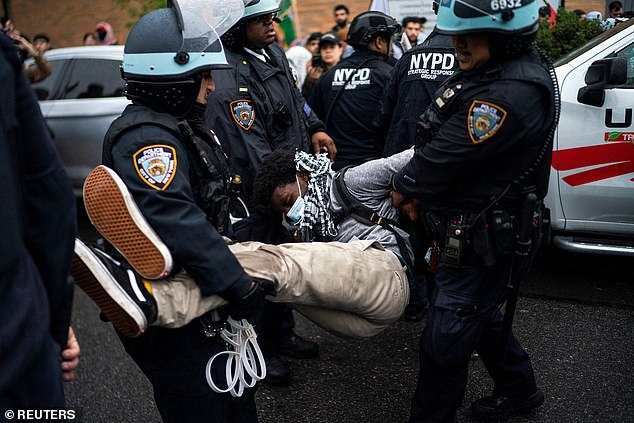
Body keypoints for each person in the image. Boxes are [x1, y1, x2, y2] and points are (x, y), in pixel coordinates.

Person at [71, 3, 268, 421]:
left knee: (233, 401)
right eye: (204, 76)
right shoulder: (146, 138)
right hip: (174, 305)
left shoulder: (177, 124)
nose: (212, 87)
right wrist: (238, 286)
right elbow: (175, 217)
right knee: (201, 405)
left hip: (201, 288)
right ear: (172, 78)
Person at [390, 1, 558, 421]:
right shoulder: (490, 71)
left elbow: (446, 154)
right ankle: (520, 389)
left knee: (445, 338)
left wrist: (406, 184)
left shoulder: (508, 93)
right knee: (477, 314)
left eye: (468, 34)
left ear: (505, 35)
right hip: (464, 226)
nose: (456, 43)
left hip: (483, 235)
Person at [206, 0, 336, 385]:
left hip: (286, 179)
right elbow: (252, 149)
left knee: (285, 262)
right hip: (260, 191)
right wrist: (289, 187)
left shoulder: (273, 51)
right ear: (236, 26)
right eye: (261, 19)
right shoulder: (228, 74)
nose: (272, 24)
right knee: (260, 268)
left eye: (272, 17)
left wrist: (315, 126)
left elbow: (295, 101)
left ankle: (282, 333)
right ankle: (258, 350)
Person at [0, 30, 79, 413]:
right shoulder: (5, 66)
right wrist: (49, 320)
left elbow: (42, 69)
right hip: (14, 348)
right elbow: (50, 205)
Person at [373, 18, 458, 321]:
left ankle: (414, 301)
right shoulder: (468, 57)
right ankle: (442, 305)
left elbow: (383, 115)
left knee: (408, 235)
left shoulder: (408, 58)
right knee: (451, 239)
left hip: (402, 170)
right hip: (446, 168)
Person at [308, 11, 398, 171]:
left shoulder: (327, 77)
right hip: (377, 169)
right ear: (379, 42)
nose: (391, 47)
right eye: (389, 41)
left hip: (336, 170)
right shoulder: (389, 74)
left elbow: (311, 118)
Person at [302, 32, 343, 99]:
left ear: (340, 49)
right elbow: (305, 100)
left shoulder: (347, 70)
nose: (328, 51)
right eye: (324, 48)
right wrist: (311, 82)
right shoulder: (314, 72)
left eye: (332, 47)